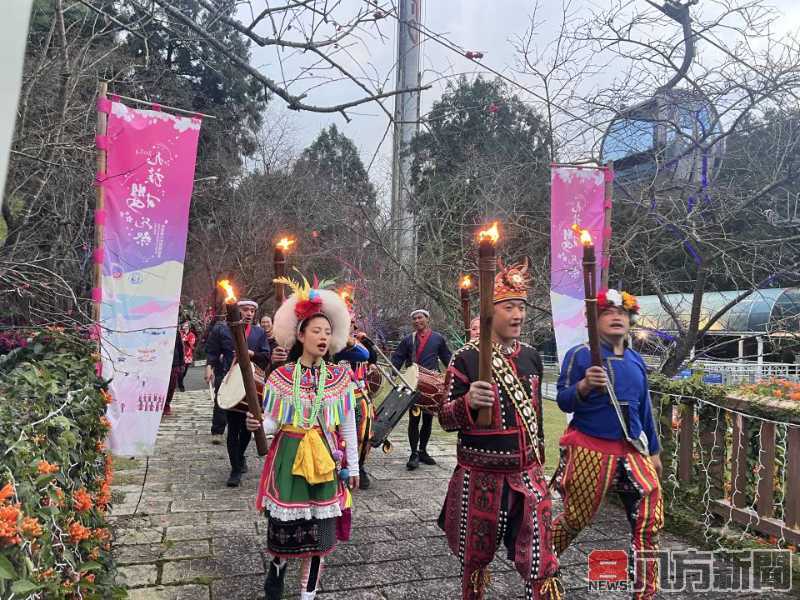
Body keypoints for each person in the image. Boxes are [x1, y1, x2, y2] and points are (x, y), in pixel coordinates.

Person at [437, 260, 560, 600]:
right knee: (475, 559)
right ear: (490, 312)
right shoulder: (464, 359)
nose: (518, 314)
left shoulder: (532, 357)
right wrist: (468, 404)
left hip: (528, 474)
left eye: (521, 306)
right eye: (509, 307)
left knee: (540, 559)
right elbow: (445, 418)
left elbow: (535, 418)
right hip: (481, 476)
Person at [245, 276, 359, 600]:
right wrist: (257, 424)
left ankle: (308, 595)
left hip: (325, 458)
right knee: (285, 530)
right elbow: (272, 422)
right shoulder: (281, 377)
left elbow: (346, 422)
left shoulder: (340, 377)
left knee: (321, 535)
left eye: (327, 332)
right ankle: (278, 568)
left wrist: (355, 467)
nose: (323, 337)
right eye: (316, 331)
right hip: (289, 457)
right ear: (300, 335)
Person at [553, 289, 663, 600]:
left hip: (631, 449)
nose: (617, 317)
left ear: (630, 320)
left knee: (650, 518)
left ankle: (645, 590)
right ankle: (541, 564)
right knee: (576, 517)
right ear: (593, 320)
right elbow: (563, 400)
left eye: (622, 313)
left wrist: (654, 452)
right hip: (590, 444)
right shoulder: (580, 354)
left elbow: (644, 410)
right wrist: (585, 385)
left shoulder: (636, 359)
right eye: (607, 312)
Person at [204, 299, 271, 487]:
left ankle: (240, 456)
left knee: (247, 429)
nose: (249, 313)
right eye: (245, 310)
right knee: (233, 427)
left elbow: (266, 356)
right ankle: (235, 469)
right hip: (230, 383)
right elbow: (213, 351)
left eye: (252, 310)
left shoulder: (258, 333)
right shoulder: (222, 329)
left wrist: (251, 354)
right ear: (237, 311)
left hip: (251, 386)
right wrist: (209, 367)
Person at [391, 309, 452, 470]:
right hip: (413, 385)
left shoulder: (438, 338)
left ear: (427, 319)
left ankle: (423, 450)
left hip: (431, 384)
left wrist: (454, 374)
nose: (417, 320)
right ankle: (413, 453)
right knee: (414, 420)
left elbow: (447, 358)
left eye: (420, 317)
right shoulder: (408, 340)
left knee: (427, 421)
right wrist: (392, 373)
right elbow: (398, 357)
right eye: (415, 319)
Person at [163, 328, 184, 417]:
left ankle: (167, 404)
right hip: (161, 362)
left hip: (174, 363)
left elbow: (180, 348)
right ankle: (160, 404)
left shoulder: (176, 331)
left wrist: (181, 363)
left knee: (172, 385)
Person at [178, 320, 196, 392]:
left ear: (189, 326)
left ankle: (180, 381)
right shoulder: (180, 333)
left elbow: (191, 344)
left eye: (186, 325)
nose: (185, 326)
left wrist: (186, 341)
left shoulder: (192, 335)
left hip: (188, 355)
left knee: (185, 371)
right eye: (184, 325)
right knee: (181, 370)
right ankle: (180, 384)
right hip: (181, 354)